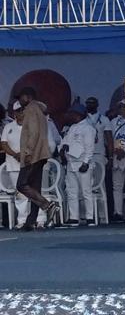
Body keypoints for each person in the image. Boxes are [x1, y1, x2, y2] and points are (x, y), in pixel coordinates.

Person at [15, 87, 59, 231]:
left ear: (28, 97)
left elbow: (33, 132)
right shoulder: (39, 109)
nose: (19, 100)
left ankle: (48, 205)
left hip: (33, 155)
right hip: (40, 154)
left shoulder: (31, 109)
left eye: (21, 97)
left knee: (21, 184)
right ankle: (31, 221)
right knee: (34, 188)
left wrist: (28, 152)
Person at [60, 103, 96, 226]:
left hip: (82, 163)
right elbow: (65, 141)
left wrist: (86, 162)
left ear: (78, 114)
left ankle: (90, 217)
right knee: (72, 191)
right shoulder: (72, 127)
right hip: (71, 162)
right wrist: (63, 148)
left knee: (86, 191)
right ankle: (74, 217)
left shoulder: (88, 128)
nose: (69, 115)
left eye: (72, 113)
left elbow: (89, 147)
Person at [111, 100, 125, 222]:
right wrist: (116, 150)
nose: (122, 109)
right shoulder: (114, 121)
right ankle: (118, 212)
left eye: (124, 107)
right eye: (120, 107)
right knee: (117, 186)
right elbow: (112, 137)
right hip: (117, 154)